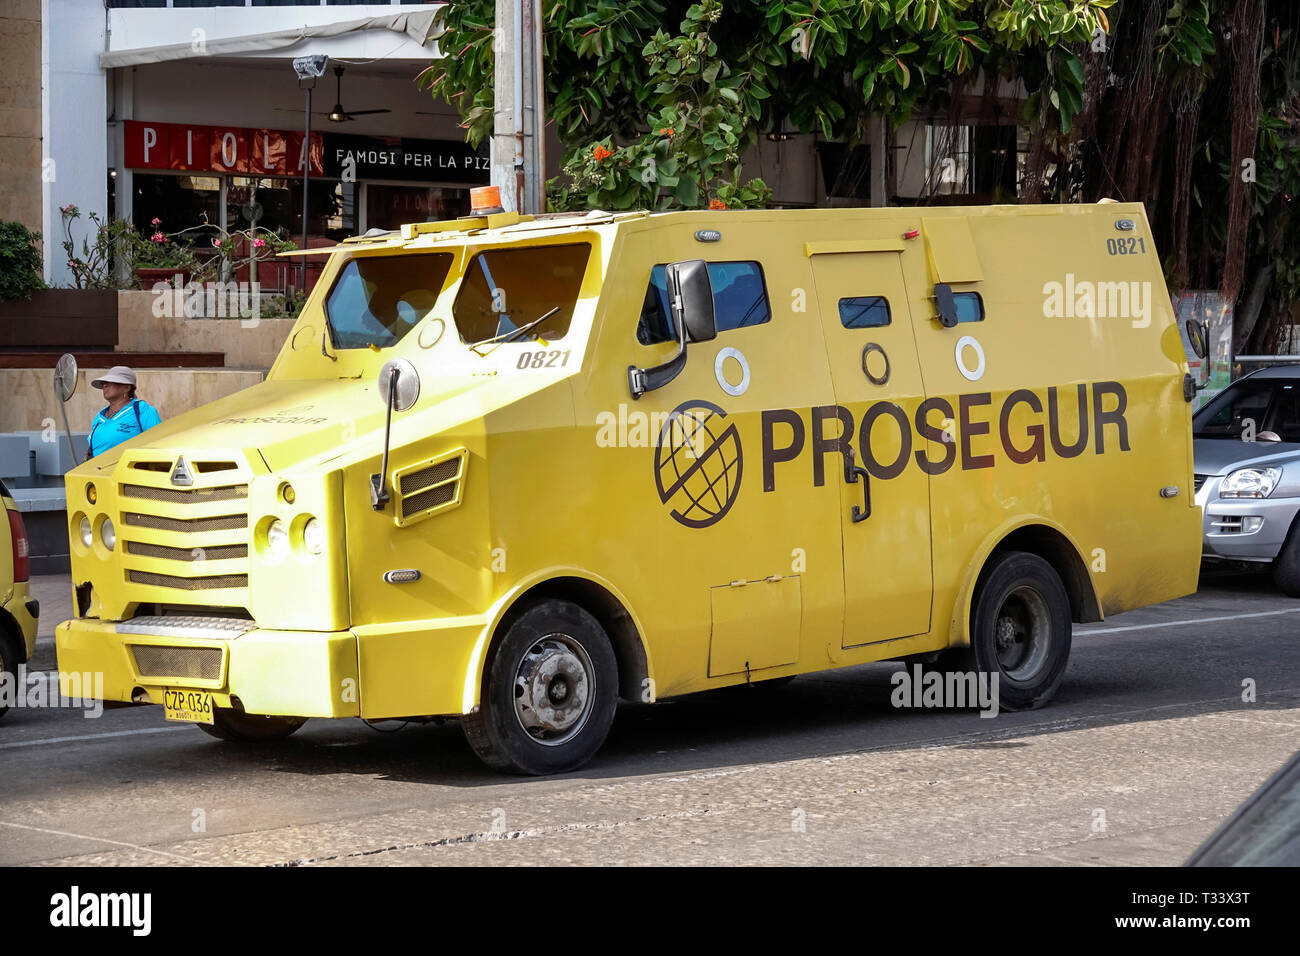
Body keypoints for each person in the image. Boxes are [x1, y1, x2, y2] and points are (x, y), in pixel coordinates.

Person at [86, 366, 162, 459]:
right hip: (97, 472)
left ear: (126, 387)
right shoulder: (99, 417)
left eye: (110, 382)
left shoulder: (142, 409)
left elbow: (158, 443)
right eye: (104, 383)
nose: (104, 386)